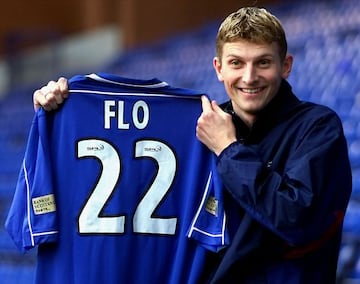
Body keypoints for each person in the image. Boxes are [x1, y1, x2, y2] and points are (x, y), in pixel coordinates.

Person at [32, 7, 352, 284]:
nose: (249, 76)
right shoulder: (197, 126)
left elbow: (296, 218)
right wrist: (55, 117)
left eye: (263, 62)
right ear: (218, 68)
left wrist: (228, 150)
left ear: (286, 66)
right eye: (237, 63)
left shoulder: (318, 127)